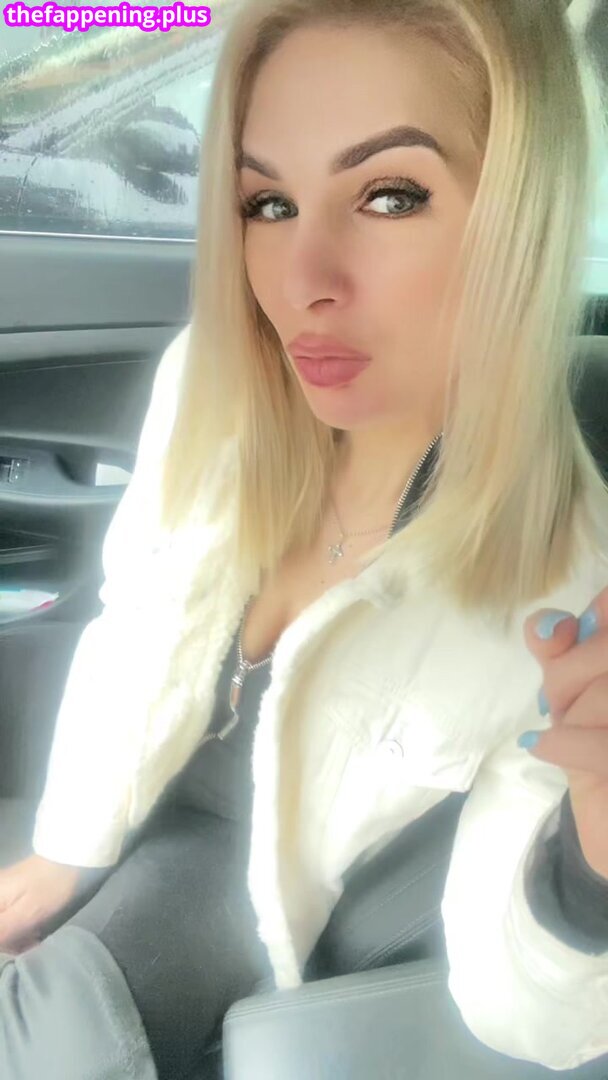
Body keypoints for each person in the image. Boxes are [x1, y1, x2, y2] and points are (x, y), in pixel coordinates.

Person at [1, 1, 608, 1077]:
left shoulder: (568, 578)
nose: (300, 278)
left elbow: (528, 1013)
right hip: (119, 819)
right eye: (268, 202)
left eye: (389, 195)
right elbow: (133, 618)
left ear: (519, 218)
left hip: (241, 910)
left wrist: (590, 866)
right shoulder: (214, 383)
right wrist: (62, 849)